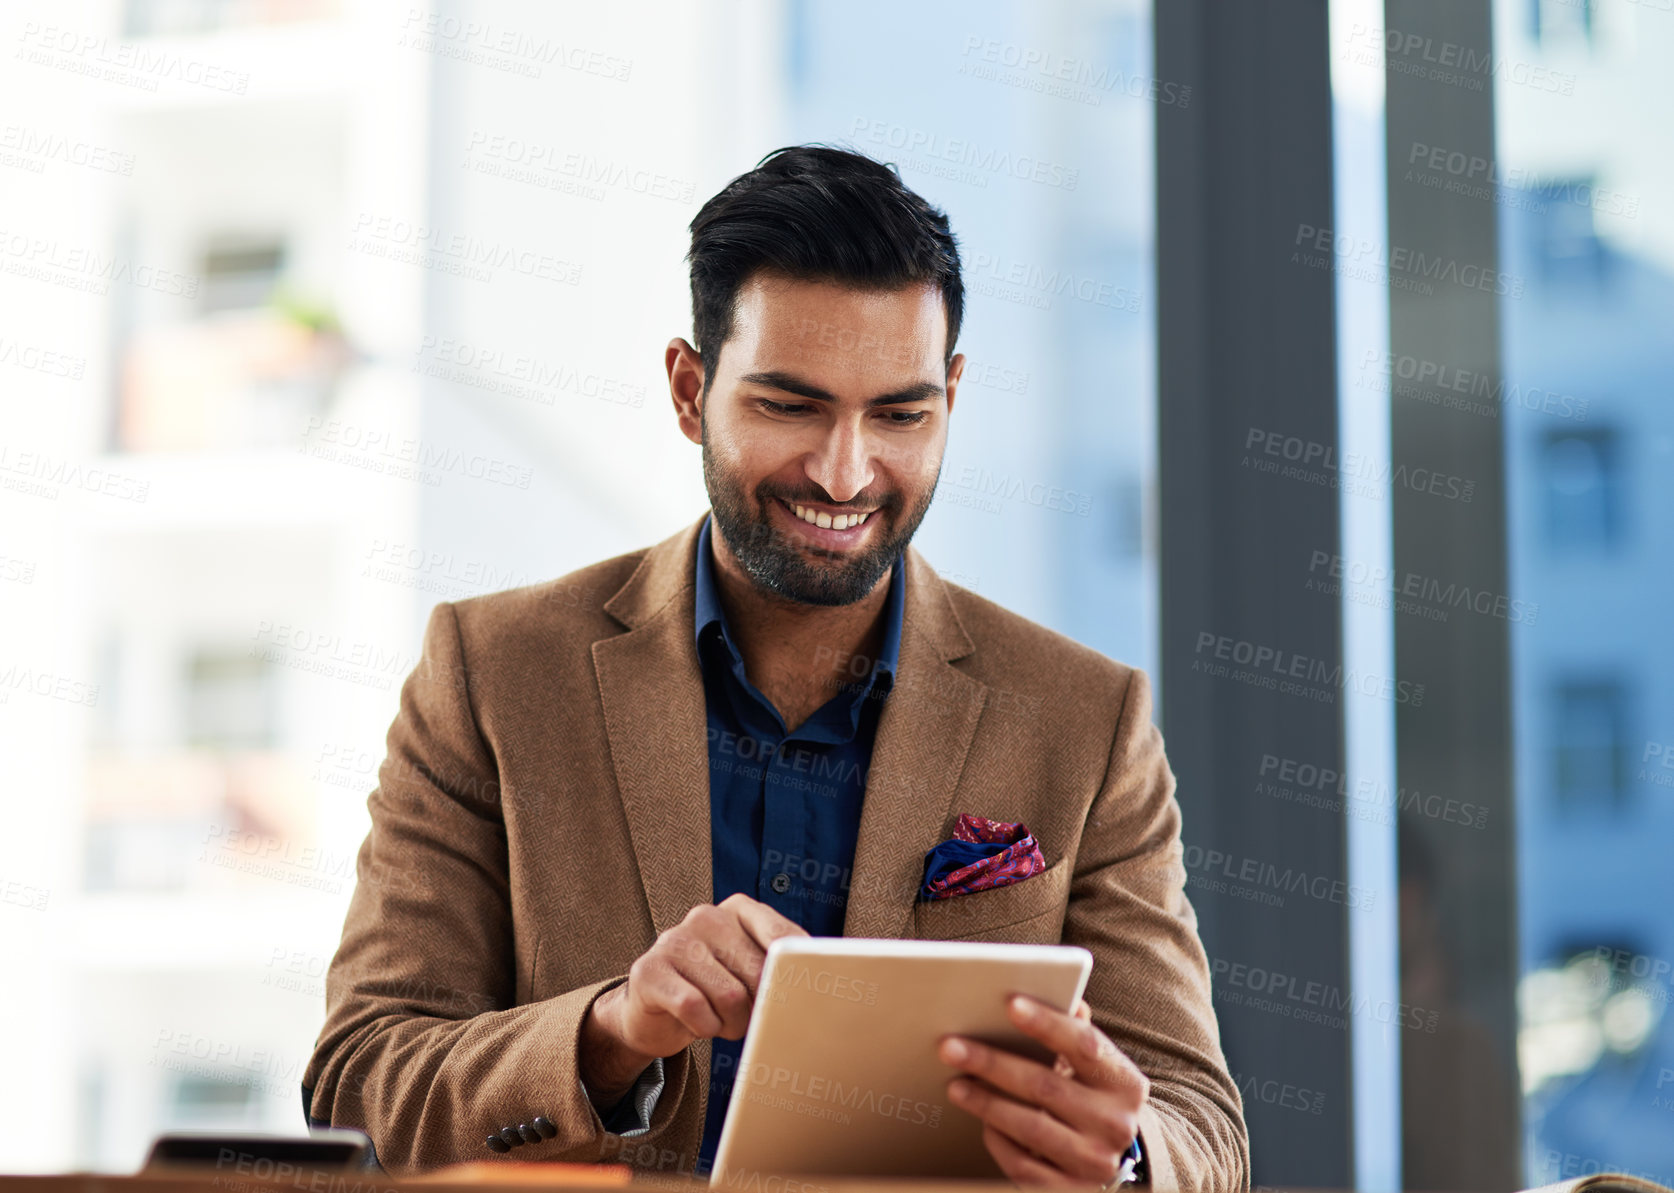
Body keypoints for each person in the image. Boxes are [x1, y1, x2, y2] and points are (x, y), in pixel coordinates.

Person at [302, 144, 1249, 1189]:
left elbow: (1198, 1120)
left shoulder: (1086, 721)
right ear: (688, 387)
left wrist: (1121, 1153)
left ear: (953, 396)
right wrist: (614, 1028)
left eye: (901, 414)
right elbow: (358, 1083)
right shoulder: (493, 675)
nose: (846, 472)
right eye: (790, 406)